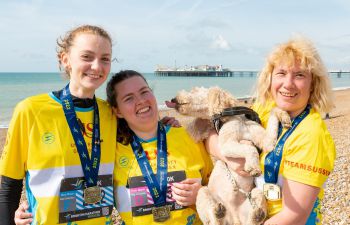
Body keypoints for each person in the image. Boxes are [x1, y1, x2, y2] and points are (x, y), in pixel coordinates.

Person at [208, 36, 336, 225]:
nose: (288, 83)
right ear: (270, 77)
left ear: (313, 84)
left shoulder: (311, 134)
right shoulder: (263, 109)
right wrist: (229, 158)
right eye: (281, 73)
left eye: (299, 75)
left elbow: (294, 216)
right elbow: (210, 136)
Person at [0, 25, 118, 225]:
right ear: (66, 60)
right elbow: (9, 186)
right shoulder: (30, 110)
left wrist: (169, 125)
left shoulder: (112, 113)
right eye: (87, 57)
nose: (97, 66)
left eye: (105, 59)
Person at [104, 70, 213, 224]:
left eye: (144, 92)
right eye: (129, 98)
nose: (141, 101)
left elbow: (219, 187)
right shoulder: (112, 150)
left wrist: (201, 194)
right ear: (118, 111)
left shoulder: (188, 137)